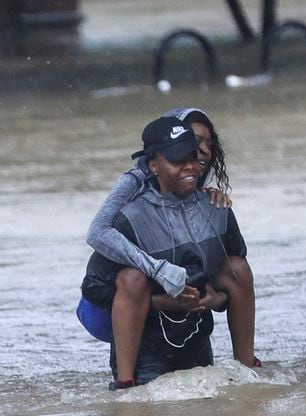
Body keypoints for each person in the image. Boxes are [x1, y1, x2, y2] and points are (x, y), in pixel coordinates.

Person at [80, 112, 258, 389]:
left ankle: (249, 370)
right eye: (179, 158)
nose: (196, 160)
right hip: (146, 343)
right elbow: (94, 285)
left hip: (194, 333)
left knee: (236, 266)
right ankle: (125, 385)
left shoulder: (218, 208)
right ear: (153, 165)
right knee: (132, 277)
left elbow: (234, 283)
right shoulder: (132, 215)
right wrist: (163, 296)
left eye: (197, 152)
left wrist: (215, 299)